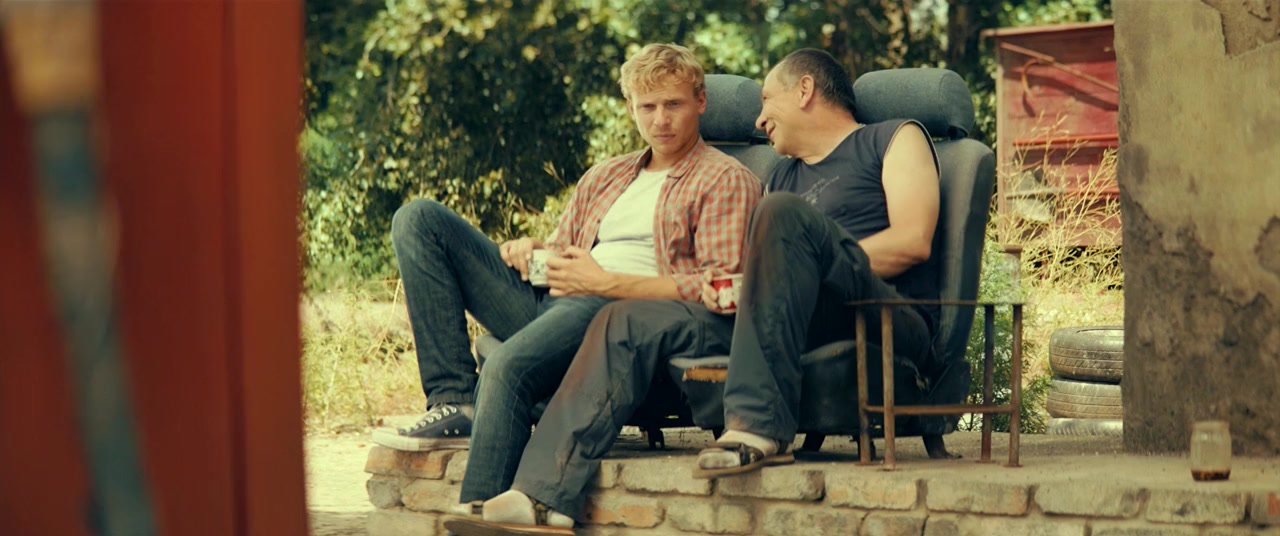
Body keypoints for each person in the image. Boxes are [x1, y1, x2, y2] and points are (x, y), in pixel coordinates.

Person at [443, 47, 940, 536]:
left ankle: (759, 426)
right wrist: (741, 285)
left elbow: (913, 240)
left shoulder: (892, 138)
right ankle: (542, 497)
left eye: (767, 100)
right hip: (785, 318)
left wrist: (794, 266)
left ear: (805, 89)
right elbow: (749, 275)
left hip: (878, 312)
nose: (758, 119)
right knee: (625, 317)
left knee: (782, 215)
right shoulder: (781, 173)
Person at [372, 42, 762, 506]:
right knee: (419, 219)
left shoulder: (724, 178)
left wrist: (606, 283)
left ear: (700, 101)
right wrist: (535, 252)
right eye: (648, 107)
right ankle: (453, 399)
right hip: (558, 300)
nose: (660, 119)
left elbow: (722, 285)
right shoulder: (606, 175)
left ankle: (480, 511)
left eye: (673, 104)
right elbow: (565, 251)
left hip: (619, 316)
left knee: (504, 365)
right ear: (630, 108)